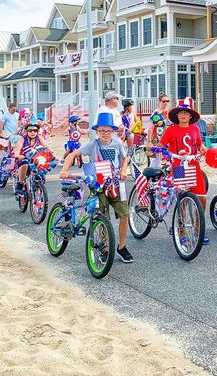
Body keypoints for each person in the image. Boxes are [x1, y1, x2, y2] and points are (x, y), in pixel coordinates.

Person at [60, 112, 132, 263]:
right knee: (101, 217)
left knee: (124, 216)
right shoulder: (93, 145)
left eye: (108, 131)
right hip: (98, 185)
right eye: (102, 131)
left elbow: (125, 158)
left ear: (113, 131)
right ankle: (104, 247)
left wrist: (124, 170)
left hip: (116, 184)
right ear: (97, 132)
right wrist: (64, 170)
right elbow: (72, 155)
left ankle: (122, 246)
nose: (105, 134)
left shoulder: (118, 143)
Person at [158, 97, 208, 242]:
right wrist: (153, 148)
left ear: (191, 115)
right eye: (181, 113)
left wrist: (205, 149)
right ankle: (181, 231)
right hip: (178, 167)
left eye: (186, 112)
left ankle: (199, 228)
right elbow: (161, 145)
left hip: (194, 166)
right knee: (183, 199)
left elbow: (199, 145)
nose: (184, 115)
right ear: (177, 115)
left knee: (202, 198)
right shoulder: (171, 130)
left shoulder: (195, 129)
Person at [14, 123, 55, 196]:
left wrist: (53, 155)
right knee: (25, 164)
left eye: (35, 130)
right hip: (24, 158)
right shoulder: (22, 138)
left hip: (36, 159)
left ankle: (38, 183)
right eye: (30, 131)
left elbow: (46, 146)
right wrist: (18, 155)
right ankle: (20, 184)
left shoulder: (39, 137)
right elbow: (17, 150)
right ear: (27, 131)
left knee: (45, 164)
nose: (33, 132)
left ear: (37, 131)